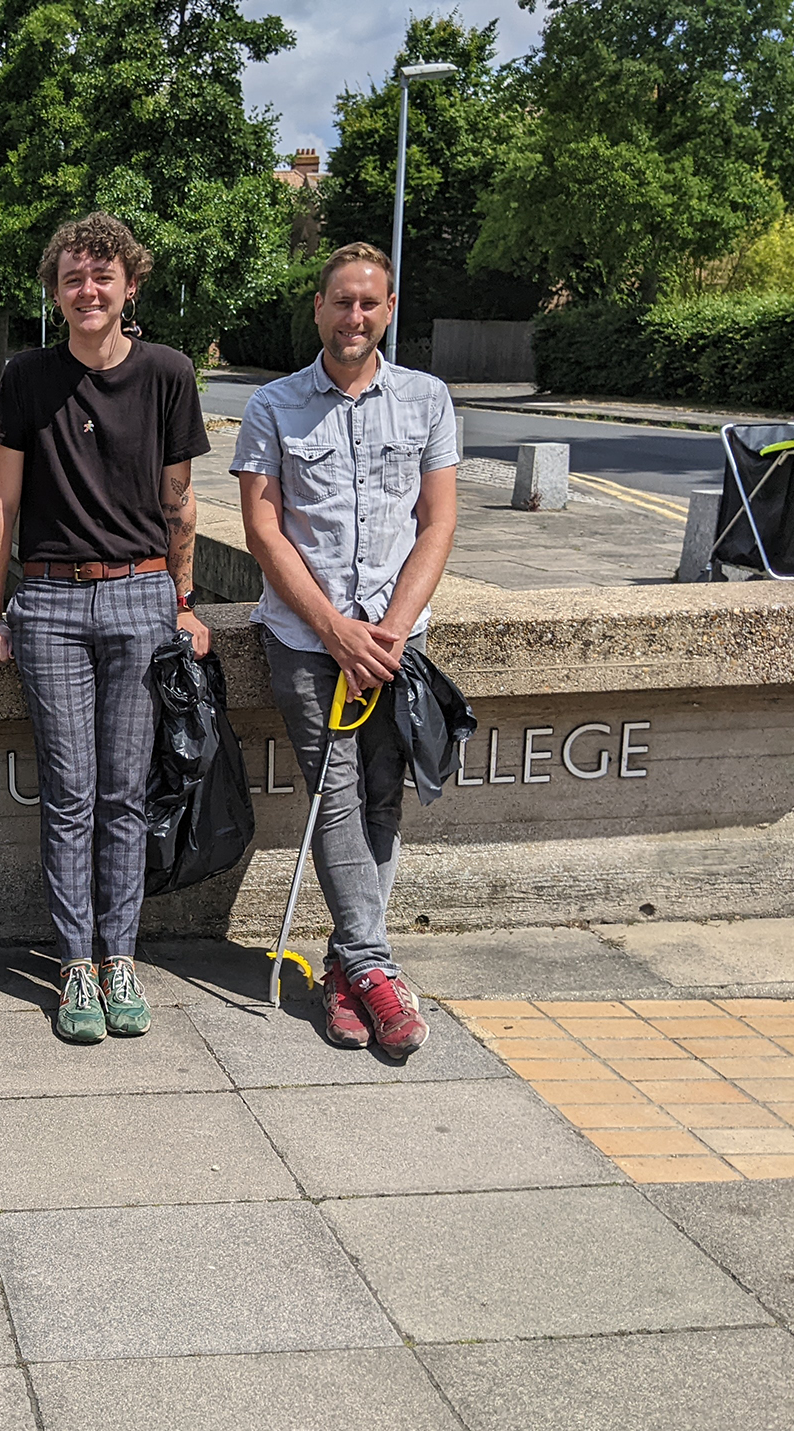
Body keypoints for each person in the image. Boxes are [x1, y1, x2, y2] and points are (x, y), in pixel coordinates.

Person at [0, 212, 211, 1046]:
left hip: (143, 597)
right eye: (74, 278)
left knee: (124, 794)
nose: (89, 290)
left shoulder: (169, 374)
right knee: (70, 796)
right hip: (53, 603)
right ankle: (75, 965)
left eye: (103, 277)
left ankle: (121, 958)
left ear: (129, 285)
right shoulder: (28, 377)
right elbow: (0, 506)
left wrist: (183, 603)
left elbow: (179, 502)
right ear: (56, 291)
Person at [232, 242, 458, 1058]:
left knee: (384, 798)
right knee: (335, 794)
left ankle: (345, 971)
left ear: (388, 310)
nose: (354, 316)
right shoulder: (275, 406)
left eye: (369, 303)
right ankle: (375, 967)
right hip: (306, 639)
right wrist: (335, 630)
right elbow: (262, 528)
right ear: (319, 309)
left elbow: (437, 523)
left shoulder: (428, 400)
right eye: (341, 302)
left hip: (397, 643)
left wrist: (391, 630)